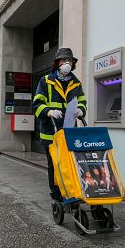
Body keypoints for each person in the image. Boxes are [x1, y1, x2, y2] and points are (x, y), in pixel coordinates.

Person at [32, 48, 87, 201]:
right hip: (51, 132)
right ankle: (56, 195)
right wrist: (48, 111)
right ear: (57, 63)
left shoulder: (76, 83)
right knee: (54, 165)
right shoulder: (46, 81)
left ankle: (70, 190)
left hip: (69, 131)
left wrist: (81, 110)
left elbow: (82, 101)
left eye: (69, 60)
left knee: (70, 163)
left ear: (73, 63)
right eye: (63, 60)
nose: (66, 63)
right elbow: (37, 103)